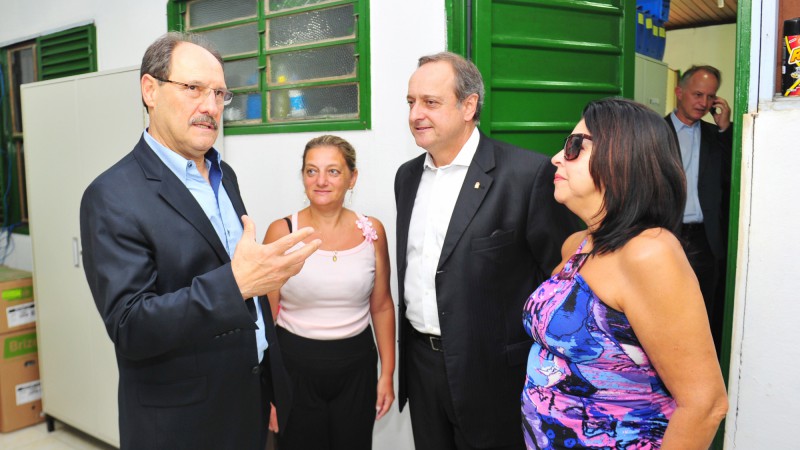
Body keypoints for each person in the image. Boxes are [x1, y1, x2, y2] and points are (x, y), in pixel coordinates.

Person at [79, 32, 319, 450]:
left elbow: (253, 297)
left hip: (250, 397)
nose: (210, 107)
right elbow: (131, 325)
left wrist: (270, 381)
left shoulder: (225, 177)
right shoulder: (112, 195)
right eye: (193, 88)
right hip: (181, 422)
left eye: (219, 94)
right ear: (149, 90)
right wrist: (237, 284)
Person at [395, 51, 579, 450]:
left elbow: (563, 278)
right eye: (411, 102)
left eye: (430, 102)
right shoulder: (407, 177)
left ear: (469, 105)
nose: (415, 114)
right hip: (421, 365)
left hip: (493, 373)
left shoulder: (526, 175)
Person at [521, 97, 728, 449]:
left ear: (622, 158)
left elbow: (705, 404)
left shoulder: (649, 252)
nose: (557, 157)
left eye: (575, 146)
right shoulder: (578, 245)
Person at [262, 135, 395, 449]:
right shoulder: (282, 232)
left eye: (333, 171)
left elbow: (382, 306)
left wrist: (387, 373)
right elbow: (264, 318)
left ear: (352, 177)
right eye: (311, 171)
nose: (320, 181)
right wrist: (267, 390)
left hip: (357, 368)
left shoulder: (372, 232)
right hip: (294, 368)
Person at [665, 65, 733, 353]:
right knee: (667, 308)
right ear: (679, 92)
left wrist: (726, 129)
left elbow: (735, 180)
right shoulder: (655, 131)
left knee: (705, 312)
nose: (704, 103)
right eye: (697, 94)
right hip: (666, 236)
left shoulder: (718, 135)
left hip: (706, 240)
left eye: (710, 96)